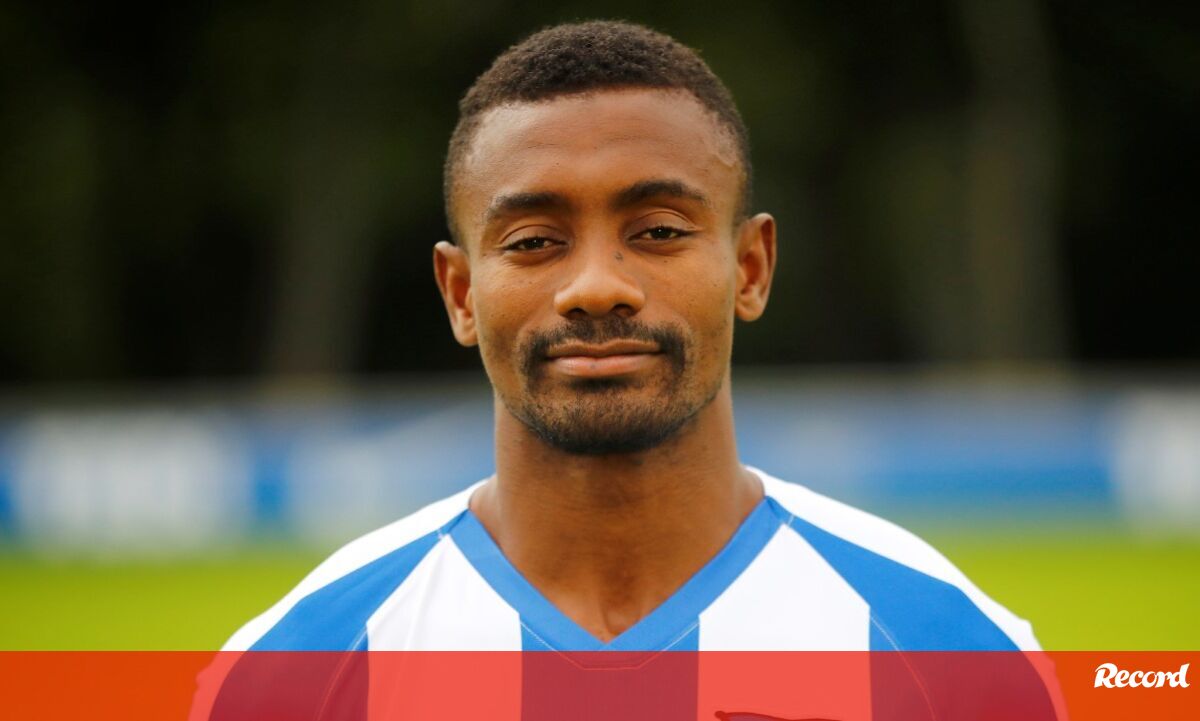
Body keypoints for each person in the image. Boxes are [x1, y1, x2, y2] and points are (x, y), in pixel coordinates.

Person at [194, 20, 1062, 720]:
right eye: (534, 241)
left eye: (658, 231)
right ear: (460, 294)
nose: (596, 286)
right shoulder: (295, 673)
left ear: (751, 268)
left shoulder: (952, 657)